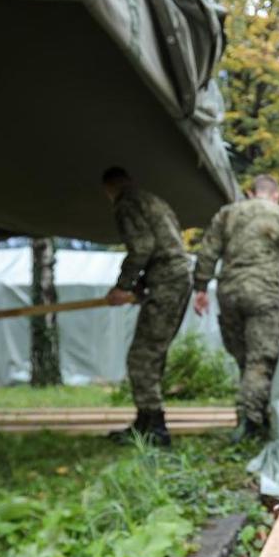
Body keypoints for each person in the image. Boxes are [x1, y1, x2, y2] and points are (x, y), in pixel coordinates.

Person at [192, 174, 279, 441]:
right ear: (276, 195)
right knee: (261, 360)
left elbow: (208, 251)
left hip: (229, 293)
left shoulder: (227, 213)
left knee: (243, 357)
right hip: (263, 294)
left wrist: (200, 287)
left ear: (250, 192)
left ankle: (249, 413)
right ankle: (252, 423)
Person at [101, 166, 193, 447]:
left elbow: (142, 247)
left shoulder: (127, 203)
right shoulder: (153, 200)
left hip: (166, 283)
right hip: (175, 279)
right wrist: (141, 284)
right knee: (152, 354)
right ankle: (145, 422)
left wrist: (124, 286)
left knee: (142, 356)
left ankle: (154, 426)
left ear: (109, 188)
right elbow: (164, 244)